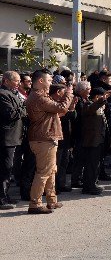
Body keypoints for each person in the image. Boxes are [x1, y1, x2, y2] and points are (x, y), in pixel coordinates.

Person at [25, 70, 73, 214]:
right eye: (49, 80)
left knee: (51, 170)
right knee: (43, 172)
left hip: (45, 137)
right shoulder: (39, 97)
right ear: (40, 81)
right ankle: (35, 203)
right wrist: (68, 93)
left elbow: (57, 111)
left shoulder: (39, 96)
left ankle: (51, 200)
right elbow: (61, 107)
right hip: (43, 139)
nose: (51, 82)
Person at [0, 71, 26, 210]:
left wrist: (21, 108)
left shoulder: (12, 94)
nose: (18, 83)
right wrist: (24, 107)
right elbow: (11, 114)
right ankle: (1, 198)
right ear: (6, 81)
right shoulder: (3, 94)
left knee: (8, 168)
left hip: (13, 137)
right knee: (5, 168)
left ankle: (5, 195)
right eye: (16, 81)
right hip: (6, 138)